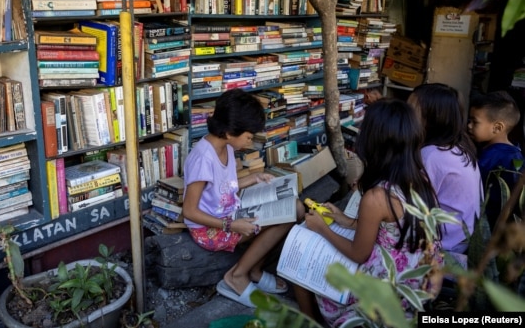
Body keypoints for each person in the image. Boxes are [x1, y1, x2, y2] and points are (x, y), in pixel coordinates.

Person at [298, 99, 443, 326]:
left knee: (302, 262)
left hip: (387, 291)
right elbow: (394, 227)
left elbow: (359, 254)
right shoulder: (420, 178)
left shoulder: (377, 197)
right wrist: (345, 220)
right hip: (419, 279)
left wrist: (322, 228)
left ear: (374, 142)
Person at [182, 88, 304, 308]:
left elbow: (221, 187)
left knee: (295, 207)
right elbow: (189, 212)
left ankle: (255, 269)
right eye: (248, 137)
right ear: (229, 132)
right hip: (210, 229)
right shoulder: (202, 158)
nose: (250, 142)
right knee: (289, 214)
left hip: (228, 213)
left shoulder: (225, 145)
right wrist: (231, 225)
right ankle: (237, 276)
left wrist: (252, 178)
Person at [408, 83, 482, 257]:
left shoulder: (431, 156)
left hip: (444, 247)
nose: (405, 115)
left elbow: (410, 206)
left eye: (411, 111)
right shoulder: (461, 146)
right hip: (461, 238)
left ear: (432, 119)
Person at [468, 90, 524, 230]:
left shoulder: (492, 158)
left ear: (497, 127)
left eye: (474, 122)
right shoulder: (515, 153)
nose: (469, 126)